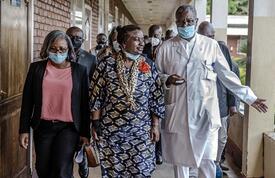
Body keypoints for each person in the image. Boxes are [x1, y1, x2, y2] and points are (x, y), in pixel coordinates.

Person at [155, 5, 268, 178]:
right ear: (176, 23)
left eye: (190, 21)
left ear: (196, 21)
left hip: (205, 115)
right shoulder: (165, 48)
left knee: (207, 162)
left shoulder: (210, 45)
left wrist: (250, 97)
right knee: (180, 163)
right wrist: (167, 79)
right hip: (178, 115)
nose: (186, 25)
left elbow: (227, 76)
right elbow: (156, 78)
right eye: (182, 21)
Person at [90, 25, 165, 177]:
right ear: (123, 43)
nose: (142, 43)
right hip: (112, 131)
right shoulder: (106, 64)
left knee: (141, 171)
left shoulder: (148, 65)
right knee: (114, 171)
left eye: (142, 39)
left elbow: (156, 97)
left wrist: (155, 125)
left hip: (141, 131)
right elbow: (96, 95)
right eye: (136, 40)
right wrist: (96, 124)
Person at [19, 30, 90, 178]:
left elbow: (84, 104)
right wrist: (23, 130)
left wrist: (85, 133)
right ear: (47, 48)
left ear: (68, 50)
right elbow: (27, 101)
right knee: (42, 167)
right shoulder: (36, 68)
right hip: (43, 126)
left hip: (69, 128)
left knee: (62, 168)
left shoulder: (79, 71)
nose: (58, 52)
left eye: (62, 49)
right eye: (53, 48)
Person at [197, 21, 240, 176]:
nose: (212, 39)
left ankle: (215, 164)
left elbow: (230, 77)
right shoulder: (193, 48)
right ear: (199, 35)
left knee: (221, 139)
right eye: (208, 36)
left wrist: (232, 103)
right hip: (200, 105)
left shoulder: (220, 48)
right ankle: (206, 166)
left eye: (213, 35)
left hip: (220, 104)